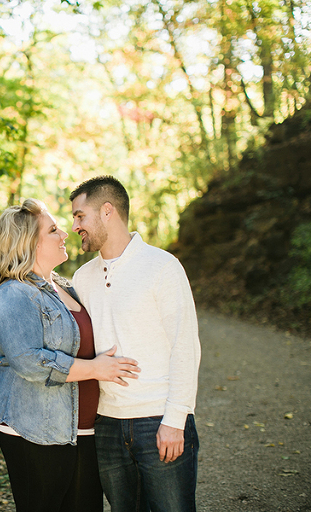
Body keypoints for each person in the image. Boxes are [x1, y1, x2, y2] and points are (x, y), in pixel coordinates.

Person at [0, 198, 141, 512]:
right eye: (53, 230)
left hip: (80, 428)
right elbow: (31, 361)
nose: (65, 234)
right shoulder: (13, 293)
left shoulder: (64, 287)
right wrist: (96, 369)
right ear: (30, 243)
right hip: (35, 428)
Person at [69, 176, 201, 512]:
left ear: (107, 211)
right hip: (106, 425)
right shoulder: (82, 278)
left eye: (80, 216)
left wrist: (175, 420)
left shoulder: (162, 267)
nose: (75, 226)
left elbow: (185, 346)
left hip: (157, 419)